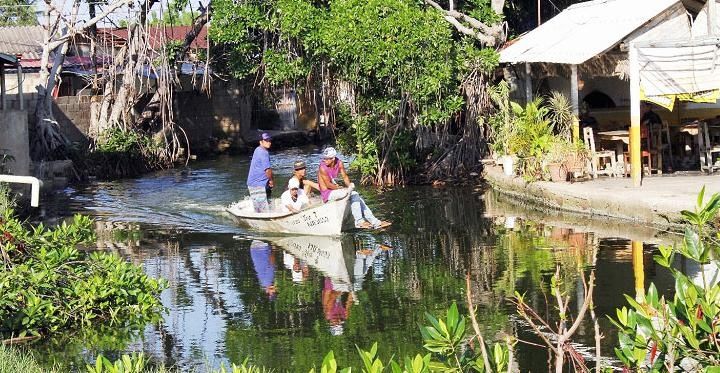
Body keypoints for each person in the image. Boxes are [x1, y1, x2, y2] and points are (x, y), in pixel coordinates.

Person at [318, 147, 391, 229]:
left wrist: (349, 187)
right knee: (355, 194)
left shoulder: (339, 163)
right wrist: (343, 189)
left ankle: (375, 222)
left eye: (327, 159)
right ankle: (359, 221)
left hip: (335, 190)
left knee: (357, 197)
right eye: (324, 158)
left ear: (333, 158)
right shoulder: (322, 167)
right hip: (327, 193)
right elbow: (328, 185)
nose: (325, 160)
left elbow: (345, 177)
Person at [247, 133, 274, 212]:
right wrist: (271, 181)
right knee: (261, 210)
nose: (269, 142)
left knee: (268, 205)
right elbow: (267, 170)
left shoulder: (258, 149)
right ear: (261, 142)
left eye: (269, 140)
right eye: (266, 140)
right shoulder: (263, 153)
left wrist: (269, 180)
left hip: (263, 183)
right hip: (257, 184)